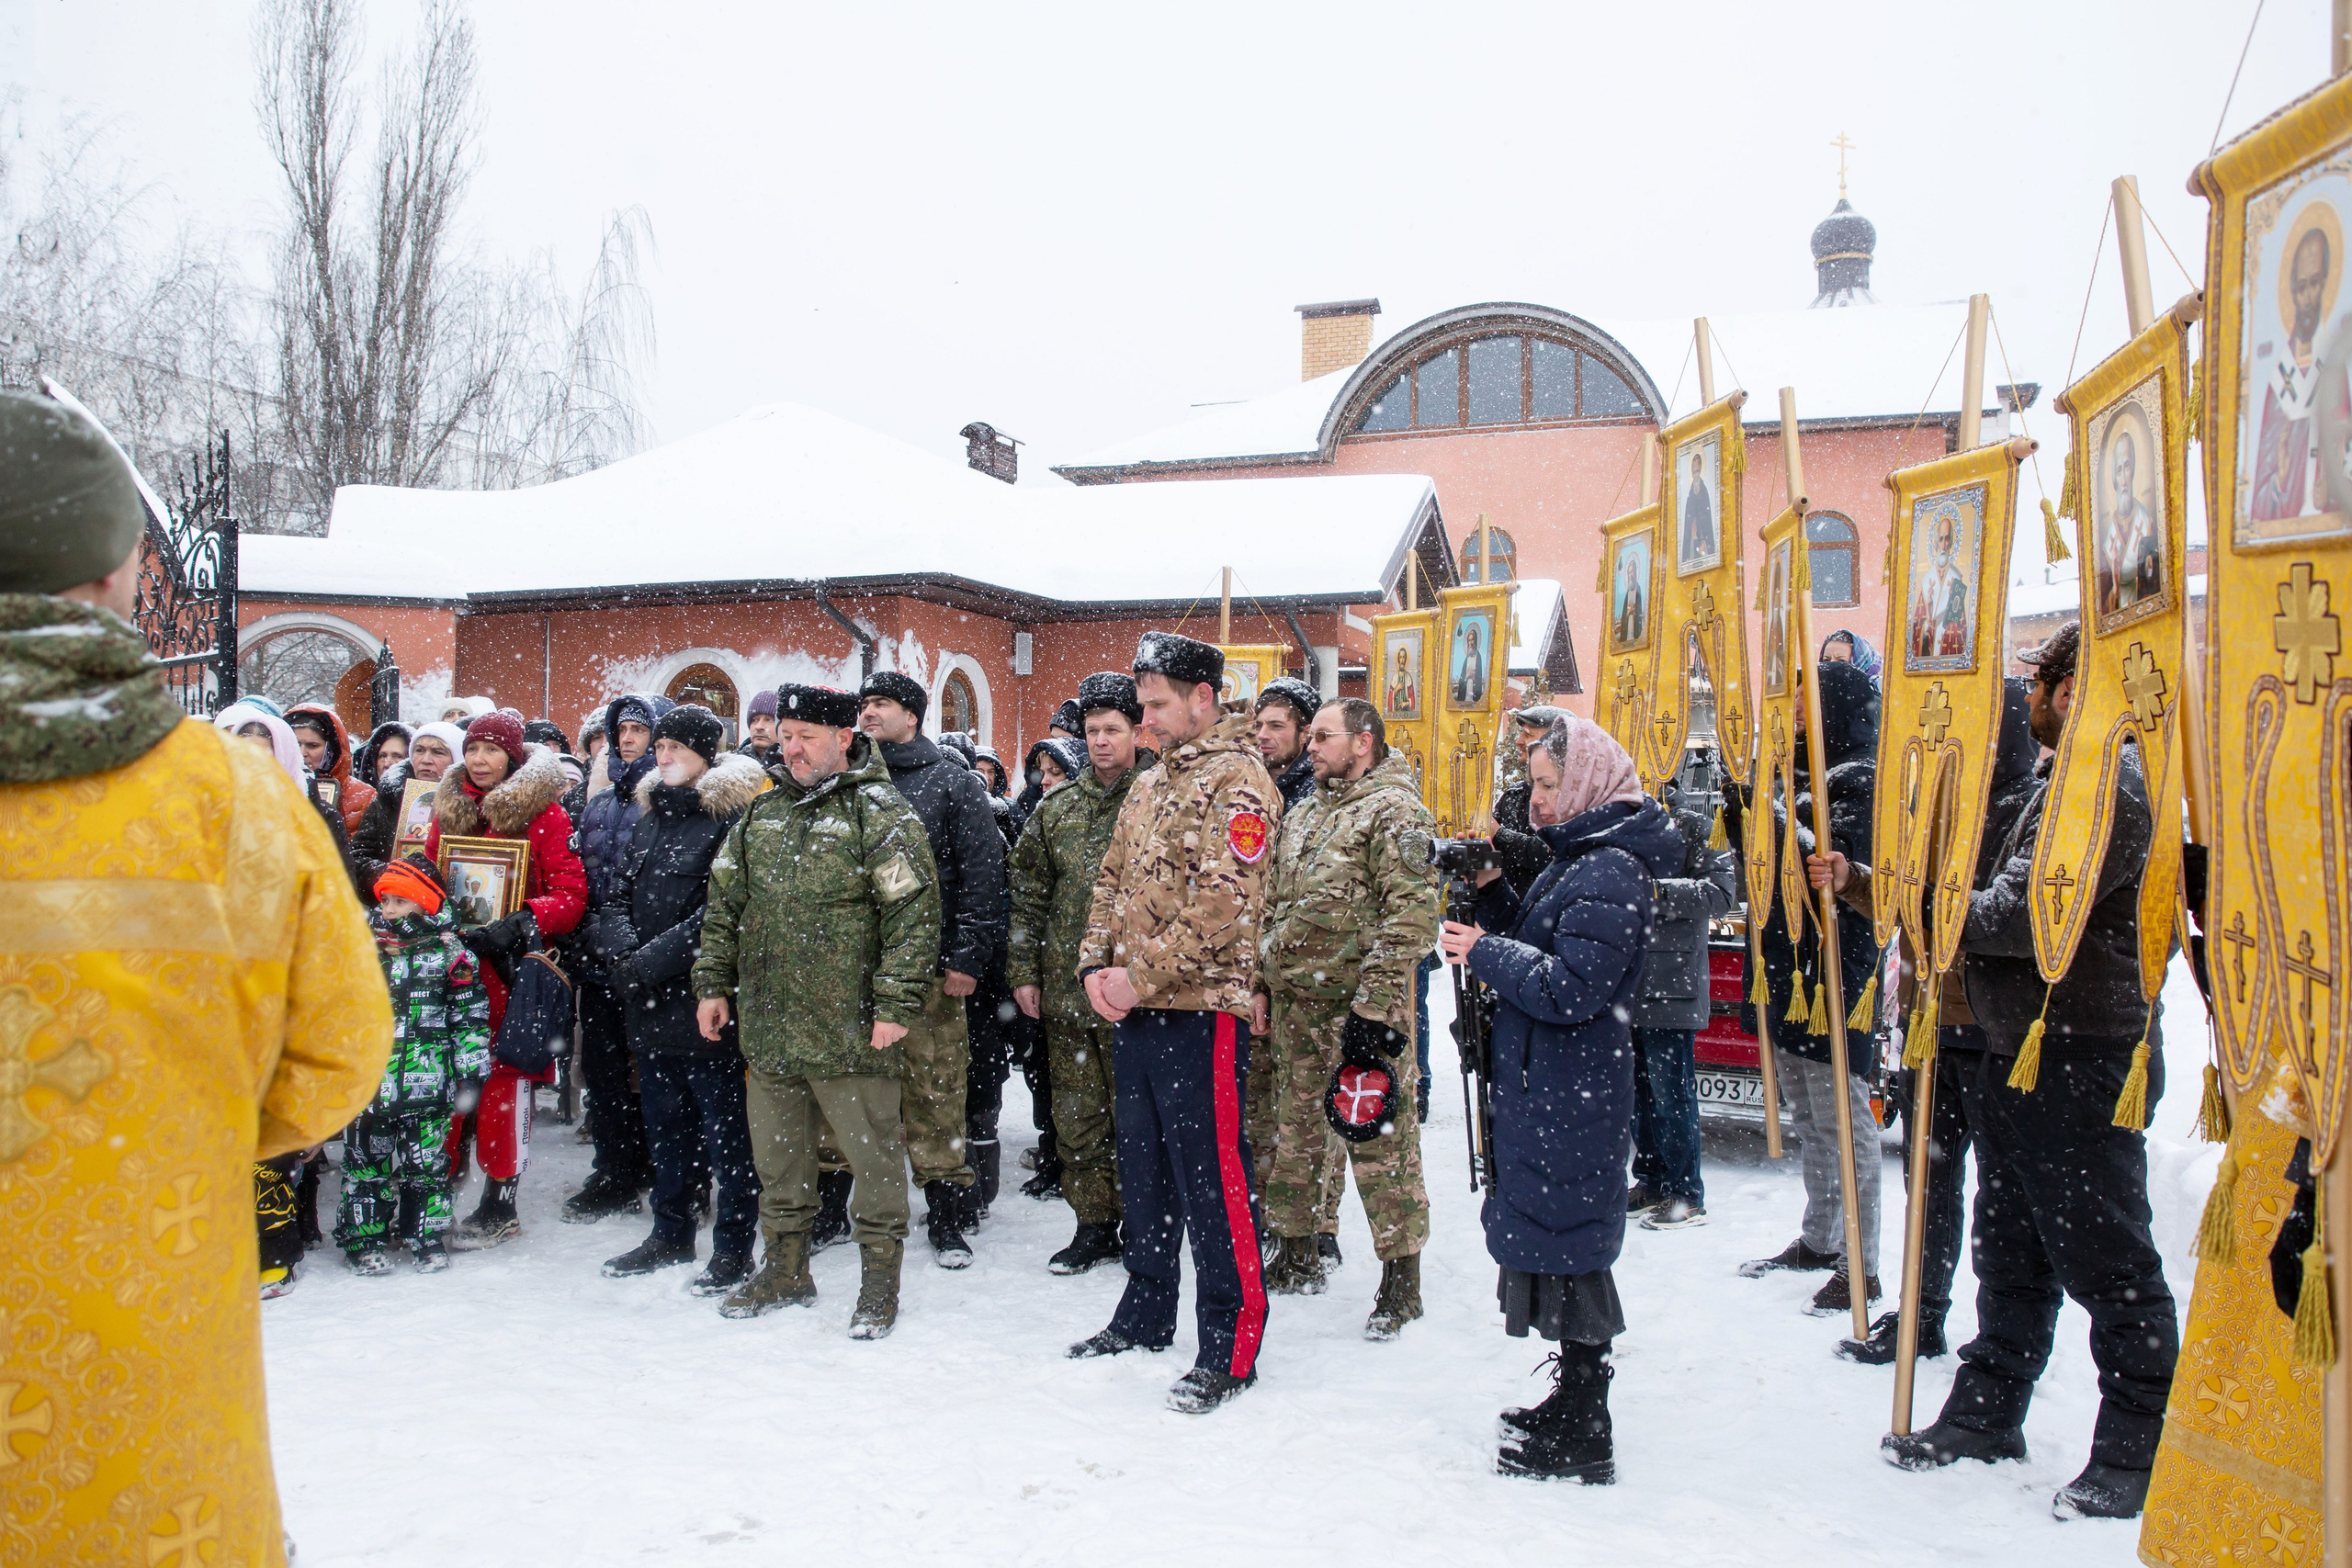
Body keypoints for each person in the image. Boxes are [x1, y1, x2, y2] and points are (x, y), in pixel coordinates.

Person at [0, 386, 392, 1563]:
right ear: (123, 571)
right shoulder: (230, 802)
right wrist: (167, 1126)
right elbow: (335, 1057)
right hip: (141, 1332)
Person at [1883, 622, 2178, 1522]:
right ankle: (1988, 1409)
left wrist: (1918, 896)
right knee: (2009, 1245)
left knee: (2103, 1255)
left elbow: (2021, 915)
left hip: (2081, 1055)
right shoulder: (2061, 777)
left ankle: (2135, 1445)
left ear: (2065, 690)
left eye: (2035, 685)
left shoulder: (2104, 789)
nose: (2025, 702)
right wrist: (1881, 878)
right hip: (2023, 1052)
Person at [1439, 711, 1683, 1482]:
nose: (1537, 802)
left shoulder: (1609, 868)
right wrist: (1491, 893)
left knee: (1574, 1245)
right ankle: (1573, 1400)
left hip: (1571, 1087)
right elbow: (1546, 944)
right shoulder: (1582, 856)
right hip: (1552, 1081)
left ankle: (1587, 1423)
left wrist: (1485, 951)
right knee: (1555, 1234)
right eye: (1538, 785)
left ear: (1582, 782)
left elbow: (1574, 985)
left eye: (1549, 785)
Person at [692, 683, 942, 1338]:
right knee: (778, 1162)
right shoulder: (762, 816)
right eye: (787, 734)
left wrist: (894, 1003)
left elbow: (912, 918)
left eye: (806, 736)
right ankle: (785, 1268)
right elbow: (724, 905)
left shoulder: (879, 815)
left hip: (851, 1030)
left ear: (844, 741)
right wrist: (712, 983)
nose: (791, 747)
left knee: (875, 1164)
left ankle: (879, 1283)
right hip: (771, 1027)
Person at [1069, 631, 1277, 1416]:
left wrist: (1138, 973)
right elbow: (1111, 883)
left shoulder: (1242, 781)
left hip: (1203, 1014)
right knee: (1145, 1172)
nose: (1146, 721)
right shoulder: (1151, 784)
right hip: (1139, 1011)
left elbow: (1225, 905)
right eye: (1142, 707)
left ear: (1204, 696)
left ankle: (1230, 1340)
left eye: (1157, 706)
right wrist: (1095, 966)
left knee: (1215, 1180)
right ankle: (1146, 1307)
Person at [1837, 677, 2038, 1365]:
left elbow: (1986, 915)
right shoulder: (1937, 809)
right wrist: (1853, 877)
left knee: (2001, 1203)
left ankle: (2000, 1343)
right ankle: (1921, 1313)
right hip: (1932, 1025)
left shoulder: (2022, 811)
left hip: (1996, 1031)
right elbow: (1904, 896)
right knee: (1929, 1185)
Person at [1255, 697, 1439, 1336]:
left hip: (1361, 1009)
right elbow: (1273, 902)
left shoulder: (1395, 811)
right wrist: (1263, 976)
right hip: (1297, 1005)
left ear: (1362, 742)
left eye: (1324, 735)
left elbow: (1411, 916)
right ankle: (1297, 1252)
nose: (1311, 744)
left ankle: (1401, 1279)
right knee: (1297, 1134)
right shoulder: (1305, 811)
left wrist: (1376, 1004)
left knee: (1379, 1142)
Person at [596, 705, 769, 1293]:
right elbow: (616, 891)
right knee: (664, 1124)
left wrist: (652, 961)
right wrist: (621, 952)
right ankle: (670, 1233)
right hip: (646, 1000)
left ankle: (734, 1247)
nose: (662, 757)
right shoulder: (647, 817)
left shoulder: (729, 819)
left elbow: (721, 911)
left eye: (676, 749)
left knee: (727, 1132)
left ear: (705, 756)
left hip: (704, 998)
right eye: (660, 748)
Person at [1740, 660, 1885, 1317]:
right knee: (1807, 1111)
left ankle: (1863, 1262)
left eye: (1807, 701)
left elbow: (1831, 862)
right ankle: (1822, 1235)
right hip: (1788, 965)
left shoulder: (1859, 777)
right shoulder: (1793, 773)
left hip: (1834, 973)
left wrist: (1770, 812)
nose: (1795, 710)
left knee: (1845, 1120)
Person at [855, 669, 1007, 1266]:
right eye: (864, 702)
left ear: (912, 715)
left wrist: (967, 955)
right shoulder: (851, 780)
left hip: (931, 970)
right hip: (857, 971)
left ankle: (947, 1213)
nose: (869, 712)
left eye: (882, 703)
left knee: (935, 1091)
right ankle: (852, 1204)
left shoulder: (951, 783)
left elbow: (982, 875)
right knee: (855, 1092)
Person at [424, 710, 589, 1247]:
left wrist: (524, 919)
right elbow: (425, 877)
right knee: (443, 1077)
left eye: (492, 750)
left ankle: (500, 1198)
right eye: (473, 749)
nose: (480, 759)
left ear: (513, 758)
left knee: (503, 1082)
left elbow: (572, 895)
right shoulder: (447, 812)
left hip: (510, 974)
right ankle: (435, 1190)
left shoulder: (546, 817)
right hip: (452, 969)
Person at [1009, 671, 1142, 1275]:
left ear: (1137, 730)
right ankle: (1093, 1223)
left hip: (1139, 996)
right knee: (1078, 1118)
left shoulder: (1159, 800)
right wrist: (1023, 970)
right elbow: (1028, 893)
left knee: (1139, 1119)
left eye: (1113, 729)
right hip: (1066, 992)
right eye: (1092, 730)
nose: (1101, 741)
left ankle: (1145, 1223)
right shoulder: (1057, 809)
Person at [343, 853, 491, 1274]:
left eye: (399, 902)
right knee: (364, 1166)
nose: (387, 909)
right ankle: (363, 1239)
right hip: (369, 1086)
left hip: (430, 1085)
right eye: (384, 900)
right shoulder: (363, 948)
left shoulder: (451, 955)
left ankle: (425, 1236)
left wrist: (471, 1070)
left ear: (425, 904)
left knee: (426, 1167)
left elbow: (469, 1017)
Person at [564, 692, 673, 1224]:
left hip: (650, 961)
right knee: (604, 1071)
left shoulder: (670, 798)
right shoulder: (600, 804)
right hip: (598, 959)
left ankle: (660, 1164)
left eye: (638, 729)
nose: (628, 739)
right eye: (620, 730)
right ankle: (613, 1168)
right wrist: (591, 936)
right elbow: (587, 878)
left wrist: (636, 945)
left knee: (652, 1073)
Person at [1626, 773, 1740, 1230]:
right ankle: (1652, 1179)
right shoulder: (1619, 825)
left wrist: (1657, 893)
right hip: (1629, 982)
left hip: (1672, 984)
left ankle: (1686, 1192)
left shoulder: (1694, 825)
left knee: (1671, 1094)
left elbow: (1720, 894)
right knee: (1639, 1094)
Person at [351, 719, 464, 900]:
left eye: (438, 752)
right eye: (419, 750)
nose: (426, 760)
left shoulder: (470, 803)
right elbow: (357, 858)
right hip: (390, 907)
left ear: (456, 759)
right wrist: (393, 876)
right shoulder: (386, 801)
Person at [287, 703, 378, 835]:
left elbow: (362, 851)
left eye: (312, 745)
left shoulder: (363, 796)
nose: (302, 753)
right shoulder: (272, 787)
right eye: (296, 744)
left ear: (330, 749)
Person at [1251, 675, 1321, 810]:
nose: (1262, 735)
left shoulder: (1320, 790)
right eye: (1258, 726)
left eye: (1276, 726)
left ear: (1305, 734)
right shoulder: (1242, 777)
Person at [355, 719, 413, 789]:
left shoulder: (420, 799)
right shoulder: (363, 798)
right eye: (383, 756)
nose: (386, 764)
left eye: (397, 756)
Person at [1681, 448, 1715, 564]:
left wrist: (1702, 535)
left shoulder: (1704, 491)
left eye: (1697, 471)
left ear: (1700, 471)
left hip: (1703, 533)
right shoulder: (1690, 493)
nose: (1695, 475)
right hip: (1693, 533)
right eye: (1693, 472)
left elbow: (1706, 516)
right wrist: (1692, 525)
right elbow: (1688, 516)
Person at [740, 687, 779, 764]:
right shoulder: (734, 766)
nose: (759, 727)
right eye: (755, 720)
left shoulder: (797, 769)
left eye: (769, 720)